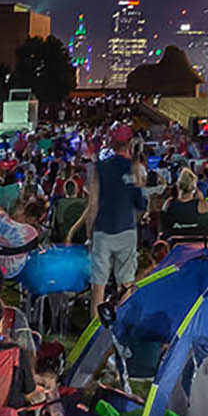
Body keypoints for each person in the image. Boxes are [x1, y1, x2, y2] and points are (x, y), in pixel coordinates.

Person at [68, 125, 144, 315]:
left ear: (110, 142)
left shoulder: (98, 168)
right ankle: (123, 327)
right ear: (130, 143)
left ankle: (95, 334)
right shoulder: (135, 168)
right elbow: (141, 204)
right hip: (127, 229)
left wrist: (88, 235)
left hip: (103, 231)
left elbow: (92, 204)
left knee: (98, 287)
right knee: (126, 284)